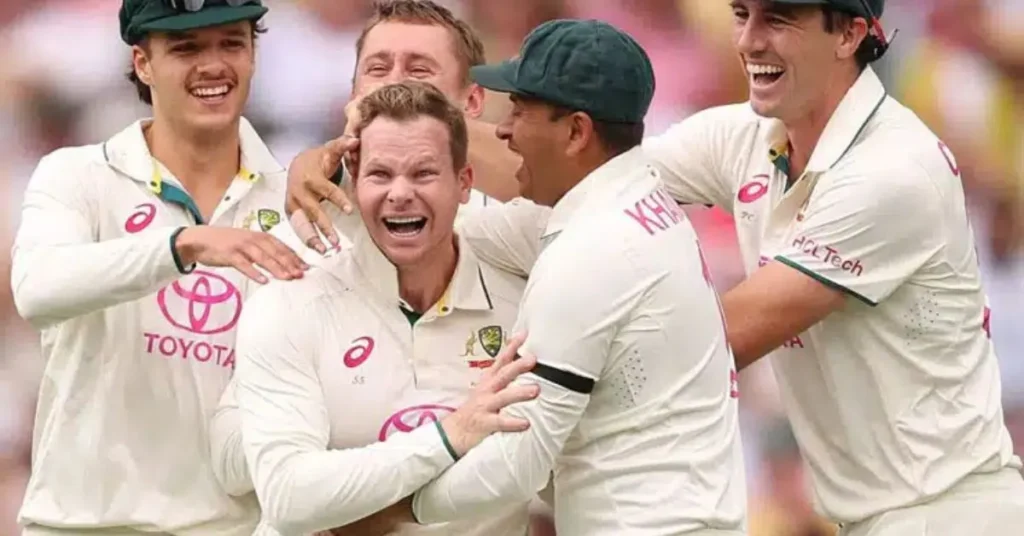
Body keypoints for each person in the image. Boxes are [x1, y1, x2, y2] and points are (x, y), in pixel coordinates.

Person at [285, 1, 1024, 535]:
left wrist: (386, 497)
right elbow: (575, 168)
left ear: (855, 34)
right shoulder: (748, 137)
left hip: (950, 512)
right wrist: (383, 139)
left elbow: (706, 342)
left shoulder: (889, 172)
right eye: (742, 14)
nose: (750, 40)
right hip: (871, 514)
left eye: (780, 19)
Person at [404, 19, 746, 535]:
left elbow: (519, 461)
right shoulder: (636, 200)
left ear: (576, 132)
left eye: (520, 110)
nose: (502, 129)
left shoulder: (594, 248)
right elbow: (475, 226)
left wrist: (386, 508)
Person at [9, 0, 310, 534]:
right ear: (142, 63)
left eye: (231, 43)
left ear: (254, 54)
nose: (213, 65)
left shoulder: (294, 199)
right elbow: (38, 290)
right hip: (83, 526)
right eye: (185, 48)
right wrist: (181, 245)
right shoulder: (76, 175)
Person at [231, 81, 540, 536]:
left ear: (464, 184)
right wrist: (450, 435)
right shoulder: (290, 304)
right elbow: (289, 497)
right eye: (380, 175)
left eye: (423, 174)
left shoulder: (527, 308)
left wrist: (372, 506)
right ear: (354, 184)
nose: (400, 193)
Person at [280, 0, 520, 256]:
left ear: (472, 100)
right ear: (353, 95)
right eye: (378, 69)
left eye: (419, 71)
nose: (394, 83)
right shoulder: (315, 198)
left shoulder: (514, 225)